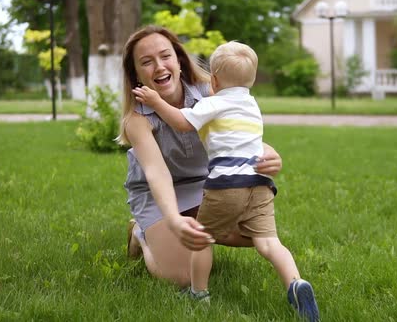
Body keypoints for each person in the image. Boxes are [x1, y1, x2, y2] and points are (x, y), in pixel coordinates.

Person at [133, 41, 319, 321]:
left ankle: (199, 293)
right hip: (259, 185)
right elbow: (243, 140)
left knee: (203, 240)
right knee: (268, 242)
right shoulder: (251, 105)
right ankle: (295, 283)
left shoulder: (212, 102)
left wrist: (156, 102)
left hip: (226, 186)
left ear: (215, 81)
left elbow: (183, 123)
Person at [117, 26, 282, 288]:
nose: (159, 66)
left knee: (257, 232)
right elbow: (156, 172)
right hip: (157, 194)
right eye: (146, 62)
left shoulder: (211, 91)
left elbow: (237, 134)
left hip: (207, 185)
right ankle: (141, 232)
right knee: (182, 278)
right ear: (136, 74)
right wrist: (172, 218)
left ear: (179, 61)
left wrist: (269, 152)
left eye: (165, 56)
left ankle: (195, 225)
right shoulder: (136, 119)